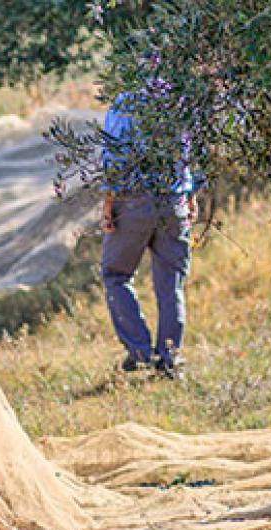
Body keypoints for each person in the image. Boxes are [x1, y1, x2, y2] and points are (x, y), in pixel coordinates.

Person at [100, 92, 202, 378]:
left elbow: (114, 155)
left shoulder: (125, 101)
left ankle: (140, 352)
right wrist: (190, 194)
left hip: (133, 201)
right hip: (174, 201)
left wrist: (108, 202)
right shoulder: (180, 95)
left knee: (115, 275)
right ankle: (170, 361)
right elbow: (192, 150)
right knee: (171, 283)